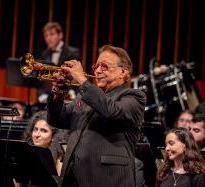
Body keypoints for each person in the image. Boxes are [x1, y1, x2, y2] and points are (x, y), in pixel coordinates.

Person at [47, 45, 146, 187]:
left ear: (123, 72)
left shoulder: (134, 97)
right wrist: (58, 92)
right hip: (73, 178)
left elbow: (111, 110)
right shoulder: (85, 97)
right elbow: (57, 119)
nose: (98, 71)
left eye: (104, 66)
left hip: (108, 180)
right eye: (96, 66)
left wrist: (82, 81)